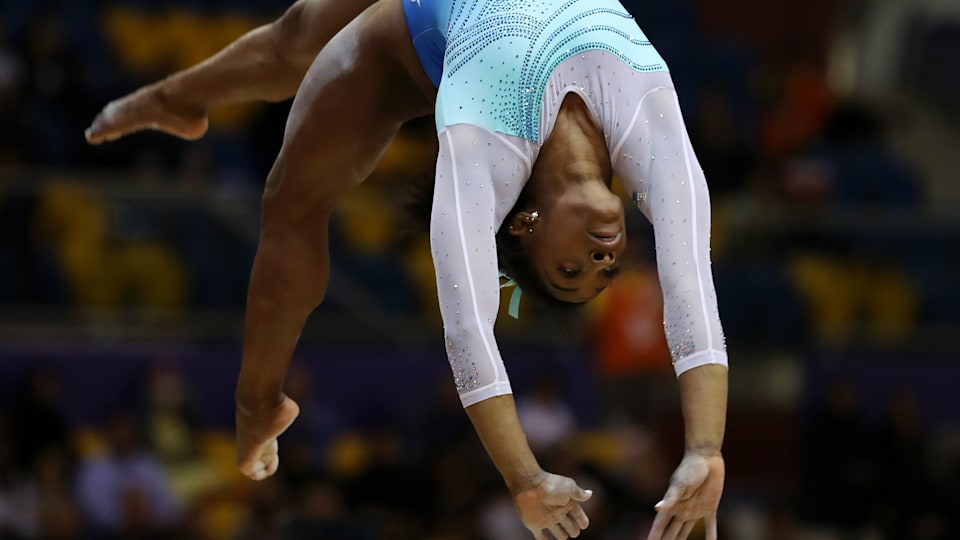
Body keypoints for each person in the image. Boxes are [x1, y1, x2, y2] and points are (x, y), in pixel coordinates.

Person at [86, 0, 728, 538]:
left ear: (524, 226)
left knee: (289, 199)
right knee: (299, 32)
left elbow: (470, 330)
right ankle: (176, 96)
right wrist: (705, 446)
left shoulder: (486, 144)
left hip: (414, 35)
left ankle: (257, 400)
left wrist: (524, 478)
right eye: (603, 270)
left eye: (573, 271)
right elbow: (690, 286)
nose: (603, 258)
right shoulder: (649, 124)